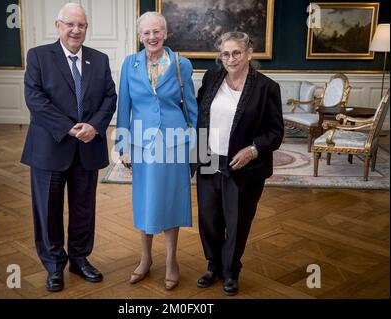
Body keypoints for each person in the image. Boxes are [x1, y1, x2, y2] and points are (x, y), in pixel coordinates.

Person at [21, 3, 117, 292]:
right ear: (58, 25)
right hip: (49, 148)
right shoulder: (38, 56)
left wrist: (94, 127)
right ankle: (53, 266)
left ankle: (79, 259)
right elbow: (35, 99)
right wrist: (69, 127)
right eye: (70, 24)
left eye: (82, 25)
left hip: (87, 147)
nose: (76, 30)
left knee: (83, 209)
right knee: (47, 210)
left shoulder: (99, 60)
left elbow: (109, 98)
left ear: (86, 28)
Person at [194, 32, 283, 296]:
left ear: (248, 53)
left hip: (243, 166)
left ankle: (231, 270)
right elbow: (200, 115)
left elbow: (275, 132)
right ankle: (213, 266)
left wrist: (253, 150)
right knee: (209, 218)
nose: (230, 59)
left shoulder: (267, 87)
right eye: (225, 54)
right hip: (209, 159)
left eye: (236, 53)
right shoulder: (211, 78)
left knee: (237, 221)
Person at [116, 11, 197, 291]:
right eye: (146, 32)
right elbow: (123, 107)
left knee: (172, 199)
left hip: (174, 142)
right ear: (140, 36)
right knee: (145, 199)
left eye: (157, 32)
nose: (152, 37)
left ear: (165, 33)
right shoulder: (129, 64)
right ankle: (146, 258)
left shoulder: (180, 64)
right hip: (142, 143)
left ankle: (172, 260)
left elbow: (191, 107)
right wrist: (123, 146)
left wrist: (196, 145)